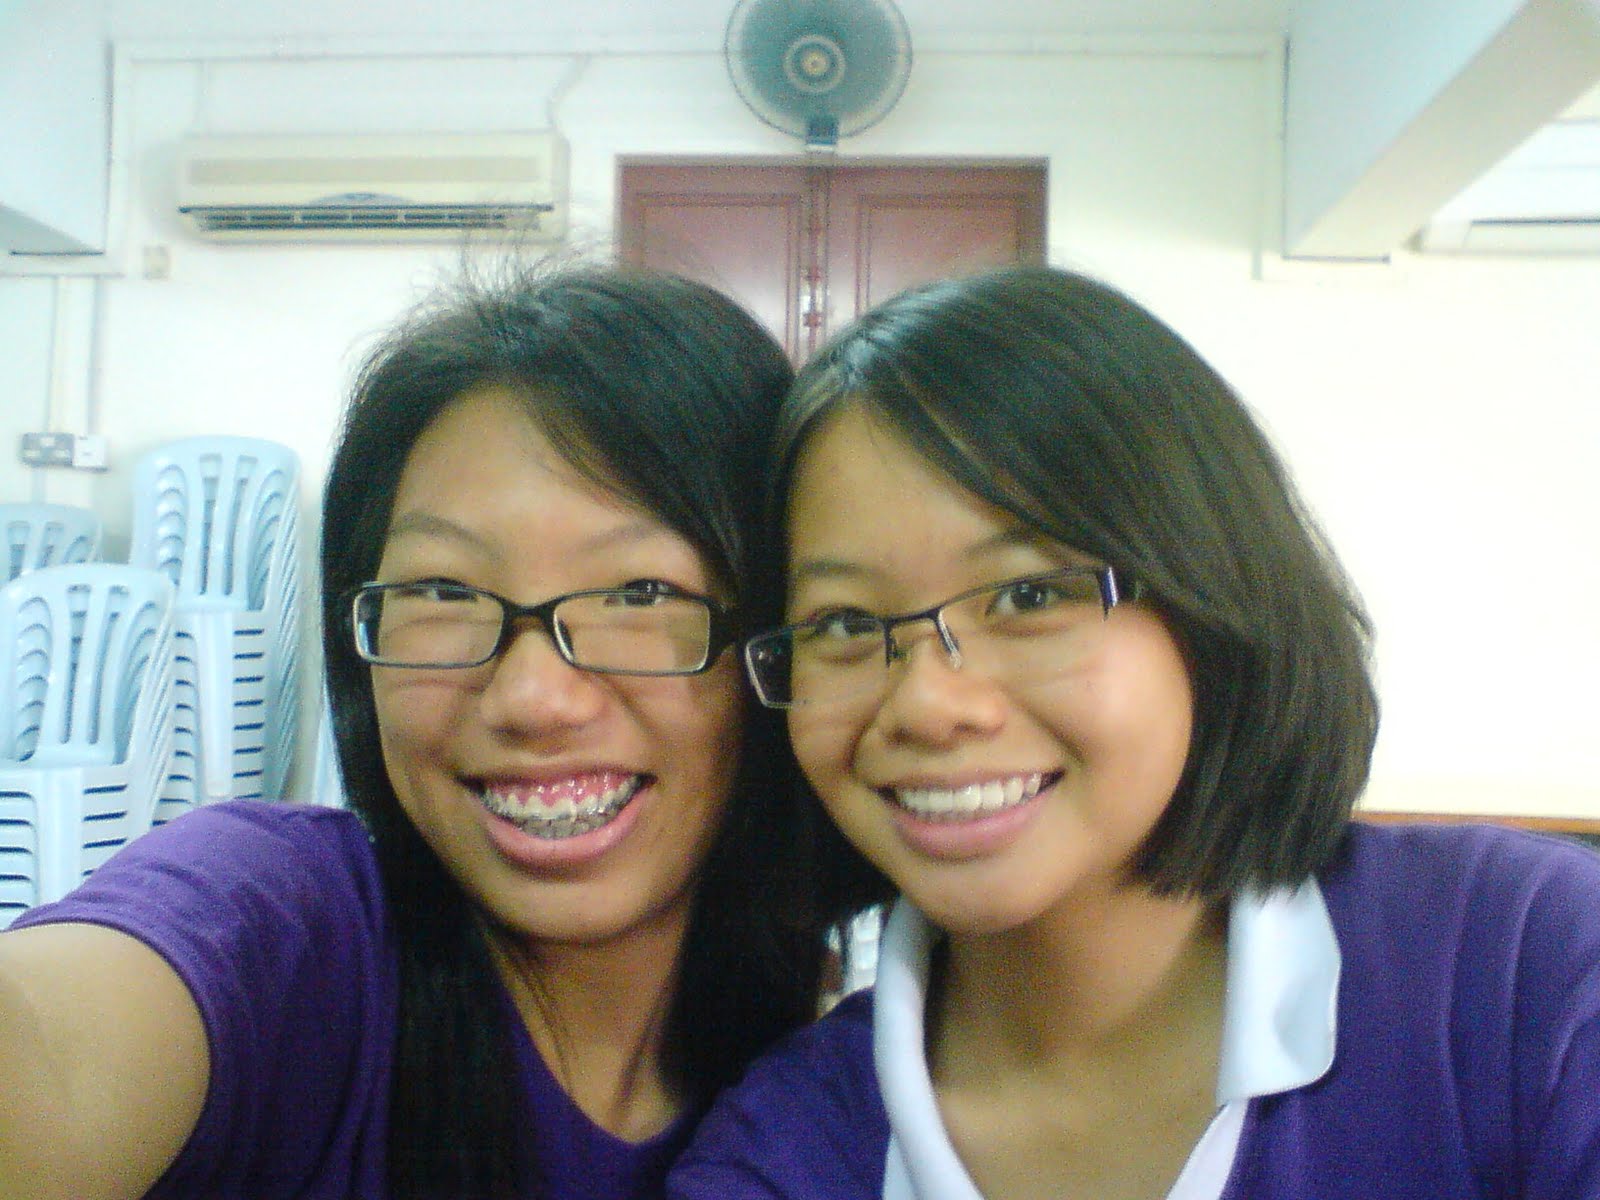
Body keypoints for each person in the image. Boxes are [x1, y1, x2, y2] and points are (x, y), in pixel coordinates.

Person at [668, 264, 1600, 1199]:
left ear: (1211, 595)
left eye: (1029, 597)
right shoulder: (778, 1154)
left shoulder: (1528, 968)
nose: (926, 706)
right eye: (840, 623)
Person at [0, 259, 828, 1200]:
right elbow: (51, 1058)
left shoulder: (845, 1086)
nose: (533, 699)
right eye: (442, 591)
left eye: (640, 593)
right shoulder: (284, 938)